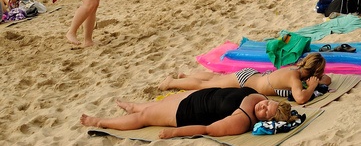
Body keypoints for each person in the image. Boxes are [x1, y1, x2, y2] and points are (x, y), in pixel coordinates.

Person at [79, 87, 292, 139]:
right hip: (197, 96)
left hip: (188, 112)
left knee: (144, 118)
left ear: (266, 122)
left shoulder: (242, 121)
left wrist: (175, 133)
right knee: (152, 105)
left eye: (265, 114)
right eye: (267, 105)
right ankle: (133, 105)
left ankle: (101, 122)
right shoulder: (261, 97)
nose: (262, 108)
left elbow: (207, 129)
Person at [159, 53, 332, 105]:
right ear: (314, 73)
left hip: (252, 76)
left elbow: (327, 80)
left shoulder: (296, 70)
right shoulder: (294, 78)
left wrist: (316, 81)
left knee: (216, 78)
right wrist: (310, 88)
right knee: (207, 85)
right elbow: (301, 98)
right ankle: (171, 83)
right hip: (246, 81)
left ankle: (185, 76)